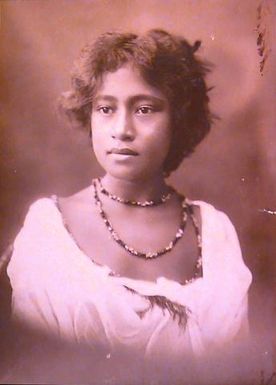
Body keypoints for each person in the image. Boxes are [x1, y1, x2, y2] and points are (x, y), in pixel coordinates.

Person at [1, 29, 252, 384]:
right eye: (105, 108)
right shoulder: (49, 228)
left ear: (178, 120)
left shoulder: (214, 232)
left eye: (145, 109)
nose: (121, 129)